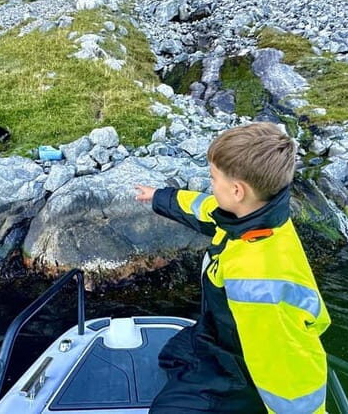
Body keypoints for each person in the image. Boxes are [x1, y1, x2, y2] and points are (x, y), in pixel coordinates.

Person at [135, 122, 331, 414]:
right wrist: (160, 197)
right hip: (217, 337)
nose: (210, 185)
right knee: (173, 354)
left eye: (213, 178)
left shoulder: (258, 281)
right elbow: (205, 209)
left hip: (236, 370)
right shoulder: (256, 215)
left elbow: (286, 370)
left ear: (238, 190)